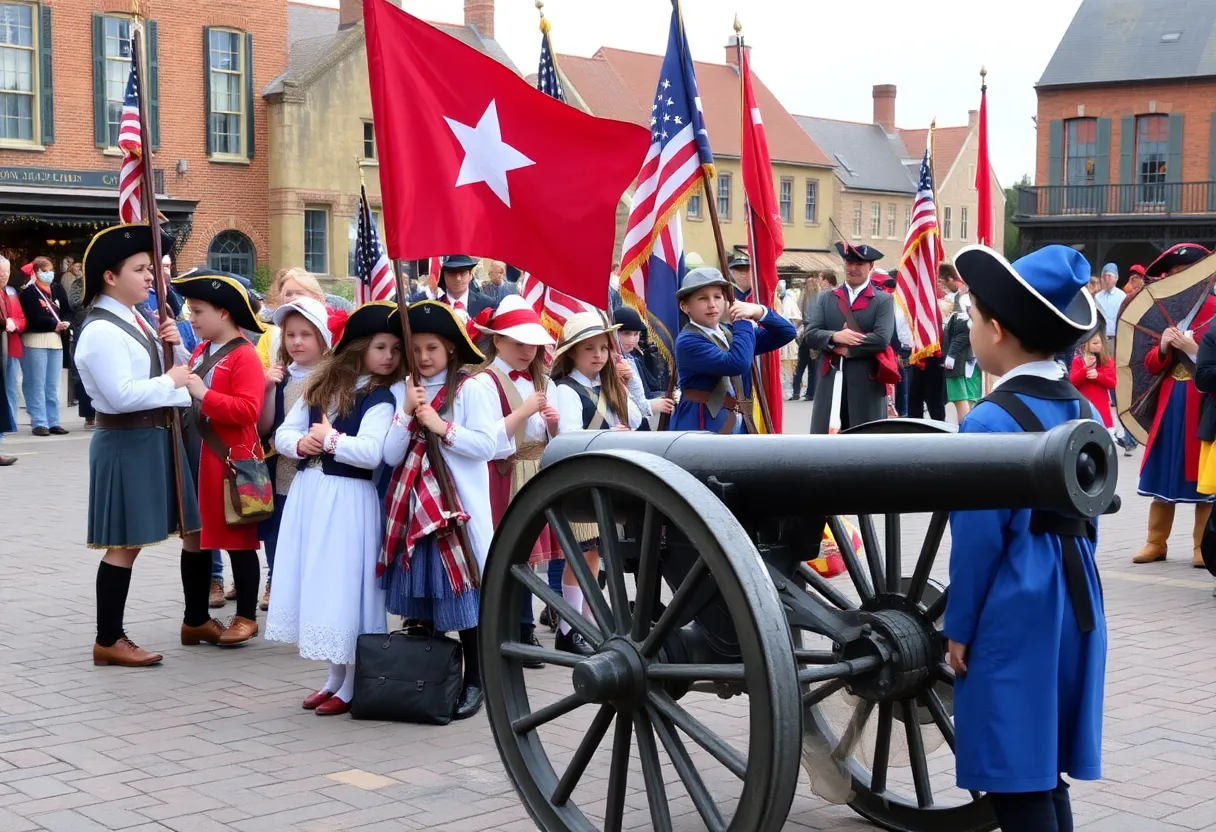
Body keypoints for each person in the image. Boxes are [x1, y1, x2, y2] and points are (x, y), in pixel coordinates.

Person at [946, 242, 1105, 832]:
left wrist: (960, 627)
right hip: (1075, 589)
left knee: (1016, 775)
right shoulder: (1083, 405)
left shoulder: (989, 420)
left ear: (997, 329)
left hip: (1017, 600)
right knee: (1044, 768)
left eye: (972, 318)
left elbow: (979, 544)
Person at [74, 224, 204, 667]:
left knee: (165, 535)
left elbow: (178, 382)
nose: (152, 277)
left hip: (150, 437)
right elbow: (120, 396)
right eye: (141, 268)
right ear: (110, 276)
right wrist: (170, 380)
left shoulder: (137, 318)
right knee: (123, 543)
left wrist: (173, 351)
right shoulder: (101, 330)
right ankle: (109, 638)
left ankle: (190, 617)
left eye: (151, 268)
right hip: (127, 440)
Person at [266, 300, 402, 716]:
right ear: (360, 347)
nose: (389, 356)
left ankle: (354, 679)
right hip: (312, 494)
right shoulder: (322, 388)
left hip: (348, 499)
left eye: (395, 350)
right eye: (381, 347)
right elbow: (283, 433)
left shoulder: (381, 400)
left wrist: (328, 440)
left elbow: (373, 453)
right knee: (321, 582)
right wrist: (300, 443)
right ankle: (334, 675)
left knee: (344, 585)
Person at [380, 300, 497, 719]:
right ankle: (428, 678)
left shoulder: (472, 388)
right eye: (416, 349)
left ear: (450, 349)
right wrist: (409, 415)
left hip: (455, 513)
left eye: (432, 348)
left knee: (461, 600)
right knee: (424, 604)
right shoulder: (404, 391)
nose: (424, 357)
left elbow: (488, 445)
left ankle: (477, 680)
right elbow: (392, 456)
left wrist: (442, 427)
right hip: (415, 512)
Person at [173, 270, 268, 645]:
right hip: (201, 458)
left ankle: (245, 616)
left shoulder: (244, 355)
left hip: (231, 462)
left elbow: (248, 411)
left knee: (238, 540)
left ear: (224, 312)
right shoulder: (200, 350)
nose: (191, 319)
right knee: (194, 539)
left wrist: (203, 394)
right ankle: (193, 617)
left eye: (197, 311)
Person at [473, 296, 560, 667]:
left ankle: (523, 627)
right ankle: (510, 626)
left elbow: (552, 435)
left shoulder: (543, 380)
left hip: (536, 471)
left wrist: (554, 427)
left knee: (528, 554)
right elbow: (485, 440)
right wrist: (524, 412)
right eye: (518, 343)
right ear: (497, 341)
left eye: (533, 344)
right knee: (506, 551)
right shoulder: (484, 382)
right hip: (502, 474)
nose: (528, 351)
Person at [550, 312, 643, 655]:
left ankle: (591, 626)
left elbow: (636, 417)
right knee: (583, 555)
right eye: (589, 349)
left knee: (598, 555)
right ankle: (568, 628)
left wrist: (624, 383)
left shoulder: (607, 385)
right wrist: (607, 434)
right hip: (580, 480)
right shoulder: (566, 389)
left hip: (606, 479)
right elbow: (569, 434)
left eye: (603, 348)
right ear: (572, 353)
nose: (598, 355)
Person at [1132, 243, 1216, 567]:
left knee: (1203, 478)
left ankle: (1201, 547)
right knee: (1162, 474)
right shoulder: (1162, 310)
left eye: (1182, 274)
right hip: (1170, 402)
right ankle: (1156, 541)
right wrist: (1164, 347)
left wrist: (1193, 347)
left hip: (1202, 401)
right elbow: (1150, 364)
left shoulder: (1213, 308)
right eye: (1172, 275)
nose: (1175, 280)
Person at [256, 297, 333, 614]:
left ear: (322, 337)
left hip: (321, 473)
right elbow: (264, 427)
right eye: (290, 335)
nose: (297, 342)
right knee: (280, 534)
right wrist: (266, 389)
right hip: (283, 470)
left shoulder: (334, 376)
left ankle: (314, 593)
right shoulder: (282, 376)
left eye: (306, 334)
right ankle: (282, 586)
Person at [670, 268, 794, 433]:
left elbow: (786, 333)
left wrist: (758, 311)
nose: (712, 304)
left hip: (738, 423)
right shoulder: (688, 341)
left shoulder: (729, 333)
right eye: (702, 298)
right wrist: (742, 321)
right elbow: (737, 363)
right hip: (702, 426)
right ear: (685, 307)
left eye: (717, 297)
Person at [803, 242, 896, 433]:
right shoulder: (826, 298)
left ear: (870, 267)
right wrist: (835, 336)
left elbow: (881, 339)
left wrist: (847, 348)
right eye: (849, 262)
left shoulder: (883, 300)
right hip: (830, 380)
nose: (853, 268)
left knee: (866, 442)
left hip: (867, 382)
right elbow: (811, 335)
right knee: (826, 442)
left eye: (859, 264)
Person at [19, 255, 72, 437]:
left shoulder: (56, 289)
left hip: (55, 342)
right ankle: (39, 421)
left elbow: (67, 310)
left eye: (51, 271)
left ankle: (53, 421)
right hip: (35, 341)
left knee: (51, 384)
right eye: (44, 271)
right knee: (36, 383)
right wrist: (52, 325)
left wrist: (66, 323)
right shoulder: (29, 292)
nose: (49, 274)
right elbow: (32, 317)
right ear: (35, 272)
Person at [613, 305, 672, 426]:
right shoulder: (606, 363)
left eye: (636, 334)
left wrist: (664, 399)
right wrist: (652, 406)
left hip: (641, 424)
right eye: (627, 333)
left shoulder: (634, 359)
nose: (632, 339)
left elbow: (646, 393)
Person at [942, 268, 980, 421]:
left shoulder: (964, 304)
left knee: (960, 397)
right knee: (970, 397)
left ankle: (965, 432)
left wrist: (950, 355)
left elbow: (963, 333)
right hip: (969, 358)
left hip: (959, 360)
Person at [792, 272, 834, 401]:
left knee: (807, 365)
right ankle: (806, 392)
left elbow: (800, 313)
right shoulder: (817, 296)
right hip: (810, 332)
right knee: (808, 365)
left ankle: (803, 392)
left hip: (810, 332)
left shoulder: (820, 296)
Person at [411, 254, 496, 318]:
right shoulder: (433, 305)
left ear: (471, 276)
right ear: (444, 276)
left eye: (463, 273)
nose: (458, 278)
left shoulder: (486, 304)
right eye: (452, 273)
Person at [0, 256, 24, 464]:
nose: (4, 275)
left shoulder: (8, 293)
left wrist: (12, 322)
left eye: (6, 272)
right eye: (1, 272)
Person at [1070, 333, 1118, 432]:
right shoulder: (1078, 360)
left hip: (1102, 410)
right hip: (1084, 409)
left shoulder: (1107, 361)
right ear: (1085, 344)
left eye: (1099, 343)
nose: (1098, 346)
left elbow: (1113, 383)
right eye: (1094, 343)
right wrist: (1084, 369)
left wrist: (1099, 376)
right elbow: (1072, 382)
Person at [1092, 263, 1124, 352]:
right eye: (1103, 276)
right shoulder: (1097, 296)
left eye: (1109, 276)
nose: (1106, 279)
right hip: (1100, 337)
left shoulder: (1122, 296)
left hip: (1116, 338)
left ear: (1116, 278)